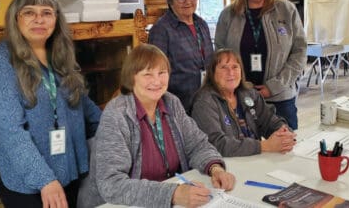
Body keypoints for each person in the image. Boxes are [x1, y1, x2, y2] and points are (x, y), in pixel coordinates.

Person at [0, 0, 101, 208]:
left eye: (46, 13)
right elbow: (11, 131)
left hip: (69, 167)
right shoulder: (0, 61)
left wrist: (124, 129)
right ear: (15, 18)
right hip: (24, 179)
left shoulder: (60, 55)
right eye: (29, 12)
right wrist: (44, 179)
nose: (39, 20)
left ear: (56, 19)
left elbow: (85, 106)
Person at [78, 44, 235, 208]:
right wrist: (173, 194)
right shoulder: (117, 114)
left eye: (162, 72)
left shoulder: (171, 102)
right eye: (147, 74)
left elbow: (197, 144)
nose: (157, 81)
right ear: (131, 78)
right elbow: (112, 184)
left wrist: (215, 168)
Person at [215, 0, 307, 130]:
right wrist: (234, 86)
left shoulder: (287, 10)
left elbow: (299, 52)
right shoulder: (229, 14)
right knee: (245, 150)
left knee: (284, 149)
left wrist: (274, 86)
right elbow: (219, 55)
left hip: (280, 98)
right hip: (239, 98)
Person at [192, 49, 296, 157]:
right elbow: (217, 144)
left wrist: (284, 133)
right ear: (212, 73)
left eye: (235, 67)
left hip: (253, 160)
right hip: (224, 166)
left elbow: (269, 120)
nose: (230, 73)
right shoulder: (204, 102)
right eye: (224, 67)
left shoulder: (250, 94)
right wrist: (263, 146)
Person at [149, 0, 214, 114]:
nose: (188, 1)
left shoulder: (202, 24)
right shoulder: (161, 29)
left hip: (207, 100)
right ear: (170, 1)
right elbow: (155, 72)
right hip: (178, 105)